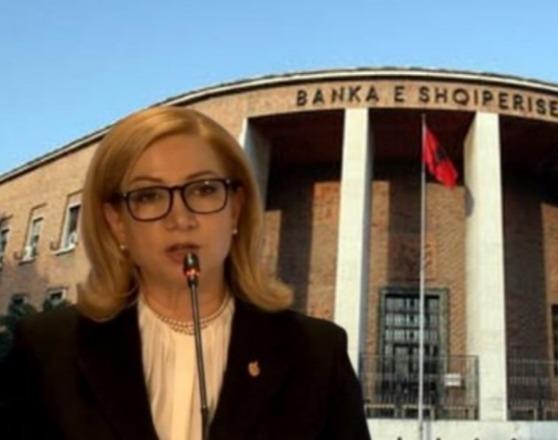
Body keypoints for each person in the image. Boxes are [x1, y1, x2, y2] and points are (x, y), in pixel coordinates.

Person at [0, 106, 372, 439]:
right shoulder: (47, 348)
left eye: (204, 189)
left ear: (235, 209)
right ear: (117, 222)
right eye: (148, 195)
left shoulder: (318, 352)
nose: (181, 219)